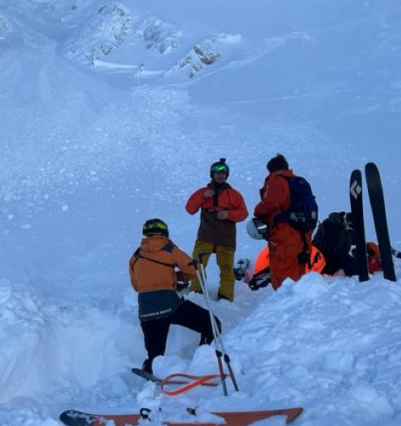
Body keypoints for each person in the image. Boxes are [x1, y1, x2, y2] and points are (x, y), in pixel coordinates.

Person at [129, 218, 219, 374]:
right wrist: (176, 278)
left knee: (155, 355)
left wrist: (164, 277)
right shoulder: (170, 249)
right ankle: (202, 362)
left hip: (147, 310)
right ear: (165, 232)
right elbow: (196, 271)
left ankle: (151, 370)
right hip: (170, 305)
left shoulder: (135, 257)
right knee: (212, 324)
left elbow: (137, 286)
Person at [184, 158, 248, 301]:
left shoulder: (234, 194)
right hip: (206, 235)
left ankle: (225, 296)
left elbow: (244, 213)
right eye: (217, 173)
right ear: (212, 174)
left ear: (226, 175)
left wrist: (229, 214)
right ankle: (196, 292)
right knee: (198, 265)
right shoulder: (203, 192)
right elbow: (190, 209)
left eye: (223, 173)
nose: (221, 175)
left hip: (226, 237)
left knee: (226, 268)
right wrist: (203, 196)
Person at [253, 154, 313, 290]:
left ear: (271, 170)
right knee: (298, 268)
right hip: (304, 232)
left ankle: (284, 303)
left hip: (284, 232)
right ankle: (299, 303)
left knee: (282, 271)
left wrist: (258, 211)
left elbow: (272, 203)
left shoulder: (276, 181)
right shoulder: (300, 182)